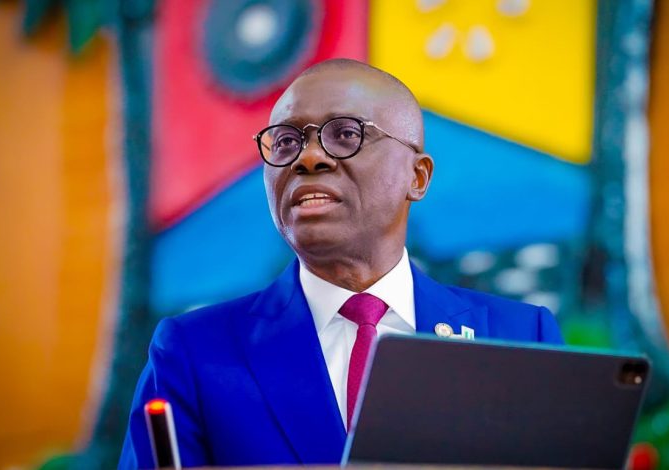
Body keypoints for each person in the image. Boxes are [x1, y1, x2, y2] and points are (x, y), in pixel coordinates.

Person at [118, 58, 563, 469]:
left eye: (346, 135)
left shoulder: (521, 338)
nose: (309, 158)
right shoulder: (194, 353)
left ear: (417, 176)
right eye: (286, 141)